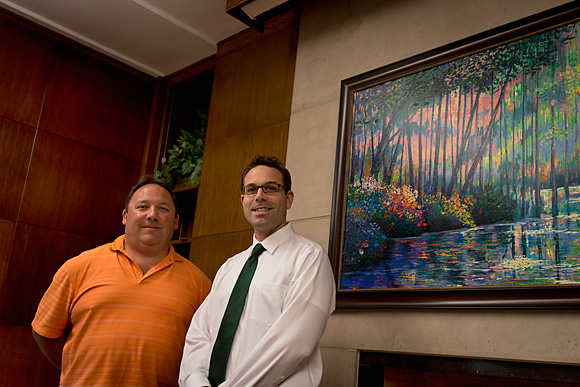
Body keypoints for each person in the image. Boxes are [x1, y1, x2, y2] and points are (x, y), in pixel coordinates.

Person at [32, 175, 212, 387]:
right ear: (125, 216)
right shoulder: (78, 267)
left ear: (175, 222)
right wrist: (77, 369)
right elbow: (45, 332)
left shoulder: (200, 284)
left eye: (163, 209)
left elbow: (204, 351)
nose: (152, 215)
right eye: (142, 207)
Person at [179, 155, 336, 387]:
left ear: (289, 198)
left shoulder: (310, 259)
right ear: (243, 199)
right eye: (251, 189)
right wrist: (196, 382)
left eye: (270, 188)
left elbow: (293, 345)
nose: (259, 195)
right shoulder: (230, 267)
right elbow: (200, 334)